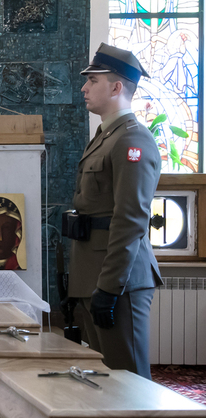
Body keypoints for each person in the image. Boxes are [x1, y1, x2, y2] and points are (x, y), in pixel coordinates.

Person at [62, 43, 162, 379]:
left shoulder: (132, 140)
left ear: (117, 87)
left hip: (118, 281)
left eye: (93, 80)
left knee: (129, 379)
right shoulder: (107, 136)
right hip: (93, 277)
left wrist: (109, 287)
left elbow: (130, 220)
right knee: (103, 380)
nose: (84, 87)